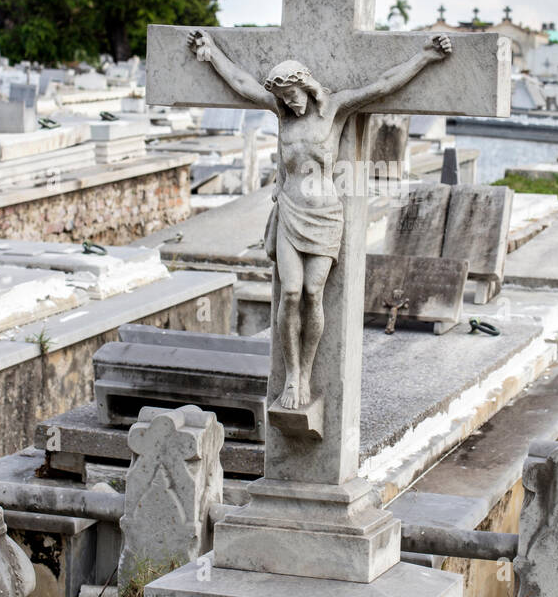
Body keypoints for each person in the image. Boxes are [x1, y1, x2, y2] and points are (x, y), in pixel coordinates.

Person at [187, 29, 452, 410]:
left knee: (313, 293)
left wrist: (425, 56)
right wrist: (210, 54)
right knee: (289, 292)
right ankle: (292, 376)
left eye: (292, 96)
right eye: (282, 98)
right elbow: (243, 83)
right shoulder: (280, 113)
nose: (289, 104)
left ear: (306, 86)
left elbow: (382, 86)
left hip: (325, 213)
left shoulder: (335, 109)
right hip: (290, 211)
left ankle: (307, 373)